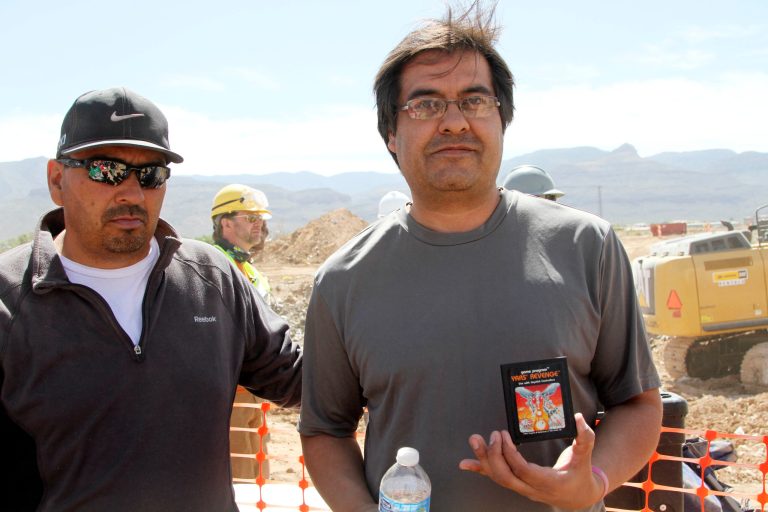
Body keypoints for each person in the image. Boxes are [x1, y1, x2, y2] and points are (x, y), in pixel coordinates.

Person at [298, 4, 662, 512]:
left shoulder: (587, 246)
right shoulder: (343, 280)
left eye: (474, 100)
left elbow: (638, 403)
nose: (454, 123)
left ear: (502, 121)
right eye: (425, 105)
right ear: (391, 136)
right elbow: (325, 431)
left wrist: (592, 481)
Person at [0, 87, 302, 511]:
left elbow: (303, 380)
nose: (132, 193)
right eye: (106, 170)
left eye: (151, 174)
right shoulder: (10, 301)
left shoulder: (211, 279)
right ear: (56, 180)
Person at [211, 184, 275, 481]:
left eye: (260, 218)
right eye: (250, 218)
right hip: (230, 388)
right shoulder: (213, 265)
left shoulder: (250, 271)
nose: (258, 224)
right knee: (239, 470)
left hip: (256, 386)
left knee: (257, 465)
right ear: (225, 223)